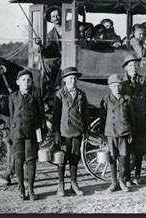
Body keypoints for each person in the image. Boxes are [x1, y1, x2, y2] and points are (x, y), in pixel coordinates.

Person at [52, 67, 90, 197]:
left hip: (77, 131)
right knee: (62, 159)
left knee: (74, 158)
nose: (72, 80)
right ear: (64, 80)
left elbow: (85, 114)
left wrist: (86, 130)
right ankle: (60, 184)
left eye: (74, 78)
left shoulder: (81, 94)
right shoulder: (60, 94)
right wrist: (56, 133)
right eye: (70, 78)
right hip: (64, 132)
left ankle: (74, 183)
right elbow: (55, 116)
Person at [8, 69, 45, 200]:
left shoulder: (36, 96)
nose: (26, 82)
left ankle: (31, 188)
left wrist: (40, 133)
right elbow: (12, 116)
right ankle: (21, 189)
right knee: (18, 160)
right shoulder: (13, 97)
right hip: (17, 133)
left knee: (31, 160)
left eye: (28, 80)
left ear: (31, 82)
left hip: (31, 133)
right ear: (18, 82)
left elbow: (41, 116)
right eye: (23, 80)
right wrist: (12, 132)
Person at [121, 52, 146, 185]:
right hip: (128, 120)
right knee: (127, 150)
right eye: (131, 65)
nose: (134, 67)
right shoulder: (121, 82)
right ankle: (127, 177)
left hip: (141, 119)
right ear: (126, 67)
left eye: (136, 65)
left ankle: (137, 175)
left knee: (140, 149)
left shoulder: (143, 81)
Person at [100, 74, 134, 193]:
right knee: (113, 158)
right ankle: (114, 182)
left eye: (119, 85)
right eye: (114, 85)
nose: (117, 88)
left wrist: (130, 132)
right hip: (111, 133)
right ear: (110, 87)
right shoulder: (105, 100)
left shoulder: (127, 99)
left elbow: (131, 117)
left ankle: (122, 181)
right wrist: (102, 135)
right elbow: (102, 118)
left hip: (123, 132)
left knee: (124, 158)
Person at [36, 6, 62, 89]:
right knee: (45, 64)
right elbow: (47, 51)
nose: (56, 18)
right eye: (53, 16)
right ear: (51, 20)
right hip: (58, 58)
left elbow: (88, 26)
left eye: (58, 15)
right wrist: (40, 44)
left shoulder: (70, 27)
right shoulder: (50, 35)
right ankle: (49, 87)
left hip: (72, 56)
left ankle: (57, 85)